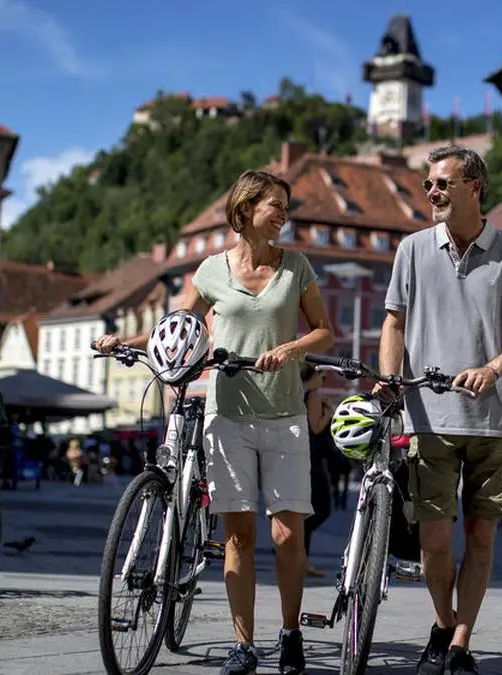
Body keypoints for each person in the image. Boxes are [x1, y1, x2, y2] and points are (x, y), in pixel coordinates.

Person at [93, 169, 333, 675]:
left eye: (286, 207)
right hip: (228, 418)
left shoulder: (296, 268)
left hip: (285, 414)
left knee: (288, 534)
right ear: (245, 210)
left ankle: (290, 633)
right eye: (276, 206)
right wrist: (126, 343)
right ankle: (243, 644)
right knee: (238, 536)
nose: (285, 216)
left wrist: (289, 347)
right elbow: (175, 330)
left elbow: (324, 333)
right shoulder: (210, 272)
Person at [377, 145, 502, 675]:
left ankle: (459, 644)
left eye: (443, 183)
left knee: (481, 534)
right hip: (428, 416)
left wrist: (494, 367)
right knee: (432, 539)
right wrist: (388, 383)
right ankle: (445, 620)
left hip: (494, 420)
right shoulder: (411, 249)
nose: (432, 191)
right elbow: (394, 323)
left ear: (474, 187)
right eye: (428, 183)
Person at [300, 363, 334, 578]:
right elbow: (316, 427)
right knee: (320, 509)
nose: (324, 380)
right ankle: (297, 550)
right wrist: (329, 412)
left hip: (305, 457)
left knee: (310, 510)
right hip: (313, 460)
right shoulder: (313, 395)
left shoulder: (302, 393)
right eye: (323, 376)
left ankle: (301, 560)